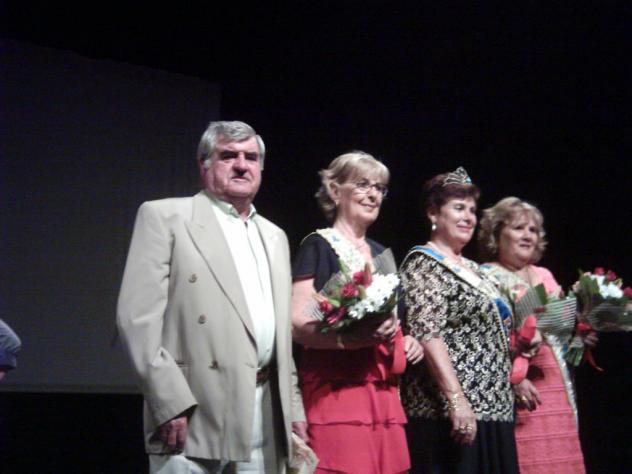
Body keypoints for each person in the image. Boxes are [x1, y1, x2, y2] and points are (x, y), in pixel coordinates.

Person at [117, 121, 306, 473]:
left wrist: (292, 408)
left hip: (264, 410)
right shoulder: (166, 217)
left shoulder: (274, 236)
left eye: (251, 157)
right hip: (193, 411)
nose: (242, 165)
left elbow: (280, 336)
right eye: (228, 155)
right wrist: (169, 402)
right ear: (204, 164)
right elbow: (137, 321)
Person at [291, 151, 423, 474]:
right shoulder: (318, 245)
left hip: (382, 389)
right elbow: (298, 322)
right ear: (335, 191)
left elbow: (393, 320)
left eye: (379, 188)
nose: (373, 194)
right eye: (363, 184)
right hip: (337, 389)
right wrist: (351, 338)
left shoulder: (381, 254)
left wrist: (408, 340)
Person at [400, 167, 518, 474]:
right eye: (458, 208)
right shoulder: (424, 263)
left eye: (472, 210)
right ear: (433, 212)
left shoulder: (477, 270)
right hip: (449, 414)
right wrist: (456, 400)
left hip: (494, 409)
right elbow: (428, 334)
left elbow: (492, 334)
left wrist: (516, 379)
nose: (468, 217)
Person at [478, 196, 587, 474]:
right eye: (518, 228)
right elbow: (484, 344)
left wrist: (582, 337)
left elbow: (560, 335)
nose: (527, 235)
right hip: (520, 389)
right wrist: (514, 379)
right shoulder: (486, 277)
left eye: (533, 230)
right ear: (496, 234)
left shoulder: (545, 275)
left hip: (555, 384)